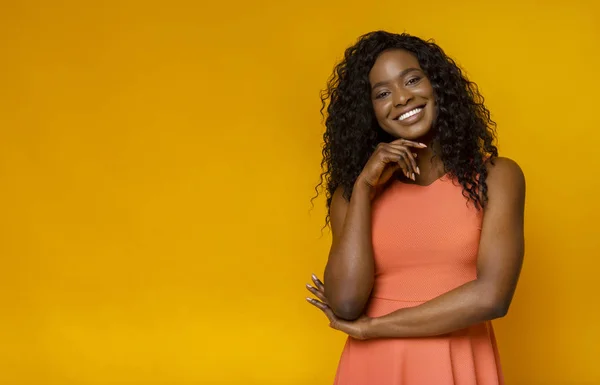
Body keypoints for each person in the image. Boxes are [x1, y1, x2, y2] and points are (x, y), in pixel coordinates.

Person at [305, 31, 525, 385]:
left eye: (411, 79)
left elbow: (492, 297)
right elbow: (345, 304)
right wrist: (362, 189)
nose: (402, 98)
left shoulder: (497, 177)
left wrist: (373, 329)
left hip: (457, 360)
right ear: (369, 111)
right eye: (382, 93)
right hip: (375, 368)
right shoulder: (352, 195)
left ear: (437, 85)